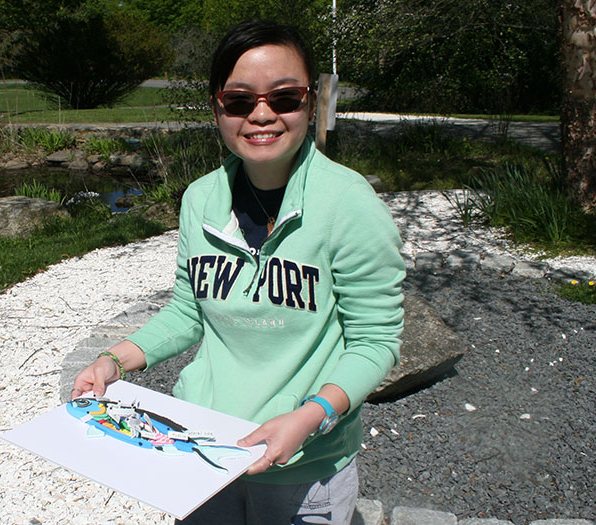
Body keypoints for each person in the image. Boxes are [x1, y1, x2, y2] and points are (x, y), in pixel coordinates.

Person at [72, 19, 405, 524]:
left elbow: (375, 340)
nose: (262, 114)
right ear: (217, 108)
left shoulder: (349, 204)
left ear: (311, 102)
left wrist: (311, 416)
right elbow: (188, 311)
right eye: (239, 101)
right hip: (200, 448)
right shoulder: (200, 198)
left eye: (285, 98)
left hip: (304, 468)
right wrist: (112, 362)